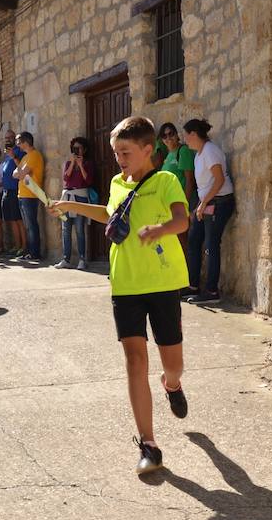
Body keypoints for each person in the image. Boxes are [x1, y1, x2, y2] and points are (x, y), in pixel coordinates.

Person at [48, 116, 189, 474]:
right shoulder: (114, 182)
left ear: (147, 150)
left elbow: (181, 220)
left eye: (125, 152)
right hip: (125, 284)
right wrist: (70, 205)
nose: (119, 159)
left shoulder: (165, 180)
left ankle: (171, 384)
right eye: (116, 152)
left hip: (162, 282)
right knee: (135, 360)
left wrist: (160, 229)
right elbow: (110, 214)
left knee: (172, 362)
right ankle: (149, 444)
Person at [182, 118, 235, 305]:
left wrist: (203, 203)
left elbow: (219, 180)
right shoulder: (198, 154)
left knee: (212, 245)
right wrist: (199, 205)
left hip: (219, 203)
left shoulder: (210, 152)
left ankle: (212, 291)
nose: (185, 139)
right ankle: (193, 286)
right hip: (207, 202)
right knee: (194, 240)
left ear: (194, 134)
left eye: (186, 135)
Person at [56, 136, 94, 270]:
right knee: (66, 229)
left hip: (80, 197)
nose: (76, 151)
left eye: (79, 148)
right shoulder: (68, 163)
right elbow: (66, 178)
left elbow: (88, 181)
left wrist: (81, 165)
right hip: (67, 197)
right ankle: (66, 259)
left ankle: (82, 259)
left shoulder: (88, 164)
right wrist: (72, 163)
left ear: (84, 150)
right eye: (74, 149)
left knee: (79, 229)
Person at [159, 122, 196, 252]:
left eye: (171, 134)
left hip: (180, 205)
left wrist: (184, 207)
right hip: (170, 206)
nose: (168, 138)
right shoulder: (168, 155)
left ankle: (187, 272)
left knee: (183, 242)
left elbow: (189, 180)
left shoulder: (183, 151)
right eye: (164, 136)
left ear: (177, 134)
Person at [12, 131, 44, 261]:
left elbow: (20, 173)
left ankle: (35, 253)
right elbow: (15, 174)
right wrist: (20, 172)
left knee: (31, 225)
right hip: (23, 194)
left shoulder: (34, 155)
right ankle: (31, 252)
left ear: (26, 142)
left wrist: (20, 172)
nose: (18, 146)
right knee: (28, 225)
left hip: (30, 195)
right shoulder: (25, 157)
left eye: (19, 143)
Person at [0, 133, 26, 255]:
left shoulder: (19, 152)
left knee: (19, 220)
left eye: (10, 137)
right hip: (6, 191)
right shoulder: (6, 155)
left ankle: (24, 246)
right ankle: (17, 245)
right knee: (11, 220)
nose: (8, 140)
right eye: (6, 138)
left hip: (16, 189)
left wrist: (14, 156)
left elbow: (21, 168)